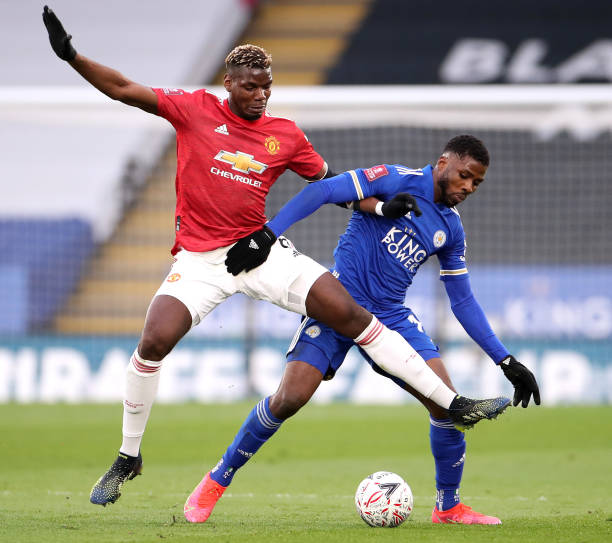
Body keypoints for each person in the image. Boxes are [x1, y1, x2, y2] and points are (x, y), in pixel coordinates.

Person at [42, 6, 510, 510]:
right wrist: (72, 56)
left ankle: (454, 405)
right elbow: (122, 88)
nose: (261, 95)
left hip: (261, 253)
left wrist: (377, 206)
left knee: (349, 312)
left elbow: (331, 185)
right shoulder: (194, 108)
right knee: (154, 341)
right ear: (229, 83)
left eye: (267, 87)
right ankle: (127, 457)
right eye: (251, 87)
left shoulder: (285, 135)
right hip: (201, 260)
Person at [187, 135, 540, 525]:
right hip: (336, 303)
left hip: (391, 316)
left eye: (477, 182)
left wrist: (505, 360)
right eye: (465, 175)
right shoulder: (394, 178)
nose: (469, 187)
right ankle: (217, 479)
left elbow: (463, 301)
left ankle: (449, 507)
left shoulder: (451, 229)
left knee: (445, 403)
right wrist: (267, 236)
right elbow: (322, 190)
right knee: (289, 398)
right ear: (443, 163)